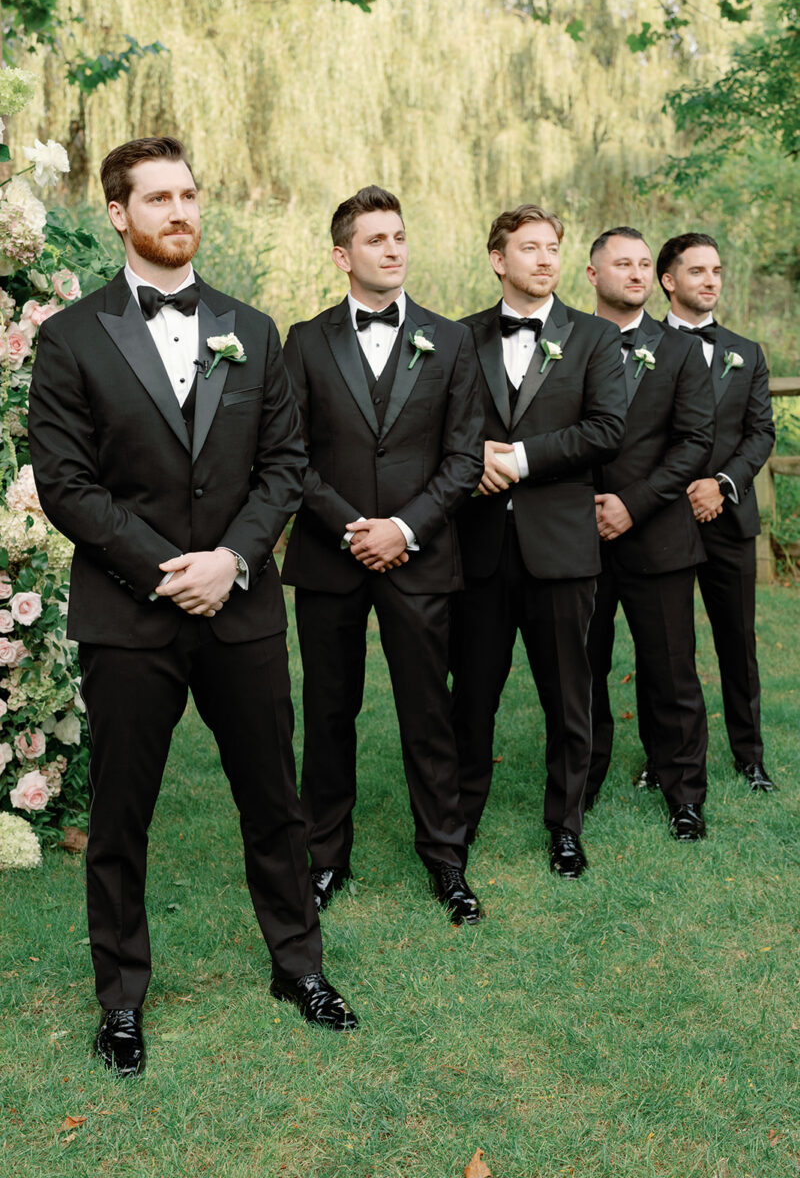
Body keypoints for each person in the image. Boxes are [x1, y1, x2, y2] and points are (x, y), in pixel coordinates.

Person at [28, 136, 357, 1077]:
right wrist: (171, 566)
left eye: (189, 195)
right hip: (130, 619)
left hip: (242, 611)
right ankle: (121, 999)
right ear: (119, 215)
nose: (179, 211)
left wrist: (233, 560)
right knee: (123, 817)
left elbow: (284, 465)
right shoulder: (72, 337)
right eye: (158, 198)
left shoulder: (252, 330)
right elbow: (66, 483)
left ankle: (299, 967)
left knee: (275, 803)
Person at [281, 186, 485, 923]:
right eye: (376, 239)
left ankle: (446, 860)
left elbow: (464, 459)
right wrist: (351, 527)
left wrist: (403, 528)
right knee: (330, 710)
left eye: (399, 236)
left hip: (421, 556)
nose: (393, 249)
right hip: (330, 557)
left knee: (429, 713)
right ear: (343, 255)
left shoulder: (451, 340)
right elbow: (290, 455)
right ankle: (327, 858)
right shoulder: (304, 340)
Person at [450, 204, 627, 878]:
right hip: (480, 551)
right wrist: (475, 466)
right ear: (499, 260)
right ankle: (459, 821)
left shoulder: (593, 338)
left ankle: (566, 824)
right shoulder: (460, 338)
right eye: (530, 248)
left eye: (553, 247)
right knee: (471, 696)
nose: (546, 259)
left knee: (569, 696)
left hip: (562, 548)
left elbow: (607, 429)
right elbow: (442, 428)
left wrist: (515, 460)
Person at [584, 227, 714, 840]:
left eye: (644, 263)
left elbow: (694, 443)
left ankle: (683, 790)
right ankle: (579, 783)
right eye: (622, 264)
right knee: (582, 668)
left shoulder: (683, 351)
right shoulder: (571, 341)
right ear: (592, 275)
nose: (637, 273)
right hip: (576, 536)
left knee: (670, 669)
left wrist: (632, 505)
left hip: (657, 533)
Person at [652, 232, 776, 792]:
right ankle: (664, 760)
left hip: (729, 519)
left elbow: (760, 432)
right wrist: (675, 490)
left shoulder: (746, 352)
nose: (711, 280)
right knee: (666, 648)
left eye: (717, 270)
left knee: (737, 641)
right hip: (662, 519)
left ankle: (749, 756)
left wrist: (722, 484)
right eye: (698, 271)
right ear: (668, 281)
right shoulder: (638, 346)